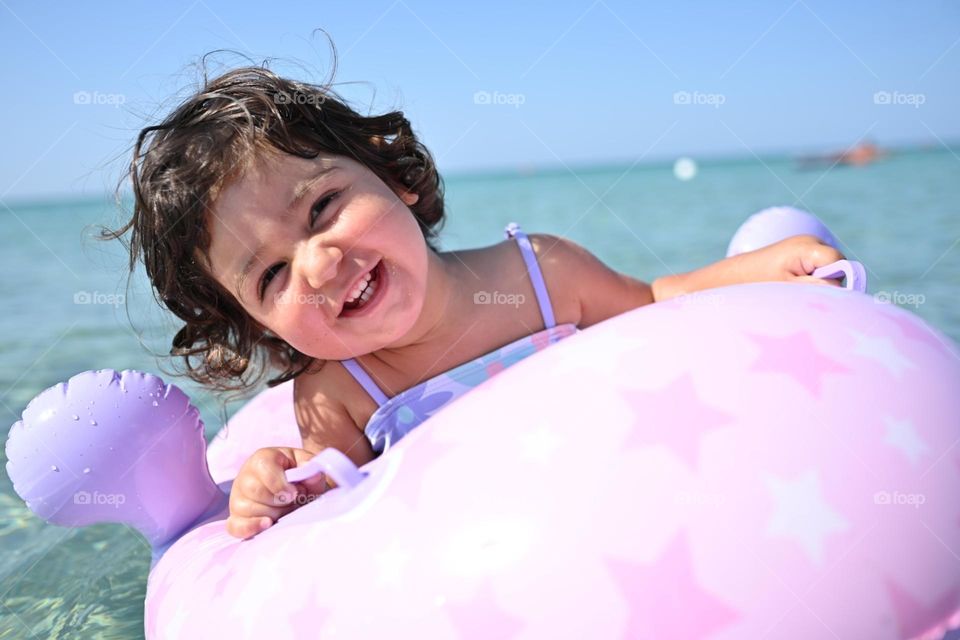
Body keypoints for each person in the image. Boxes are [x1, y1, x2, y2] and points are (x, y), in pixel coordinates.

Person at [111, 65, 845, 539]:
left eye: (323, 206)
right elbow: (330, 508)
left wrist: (756, 273)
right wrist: (273, 485)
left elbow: (657, 303)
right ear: (257, 324)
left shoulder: (540, 274)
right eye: (271, 277)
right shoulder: (340, 396)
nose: (320, 262)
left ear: (392, 176)